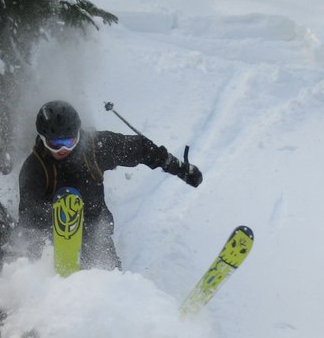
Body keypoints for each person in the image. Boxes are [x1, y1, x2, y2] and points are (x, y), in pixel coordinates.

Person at [17, 100, 202, 268]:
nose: (63, 149)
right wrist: (55, 224)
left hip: (95, 230)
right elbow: (29, 212)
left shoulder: (96, 147)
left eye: (69, 141)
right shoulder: (34, 168)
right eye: (56, 144)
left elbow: (141, 149)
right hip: (55, 237)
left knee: (106, 273)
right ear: (43, 139)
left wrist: (179, 168)